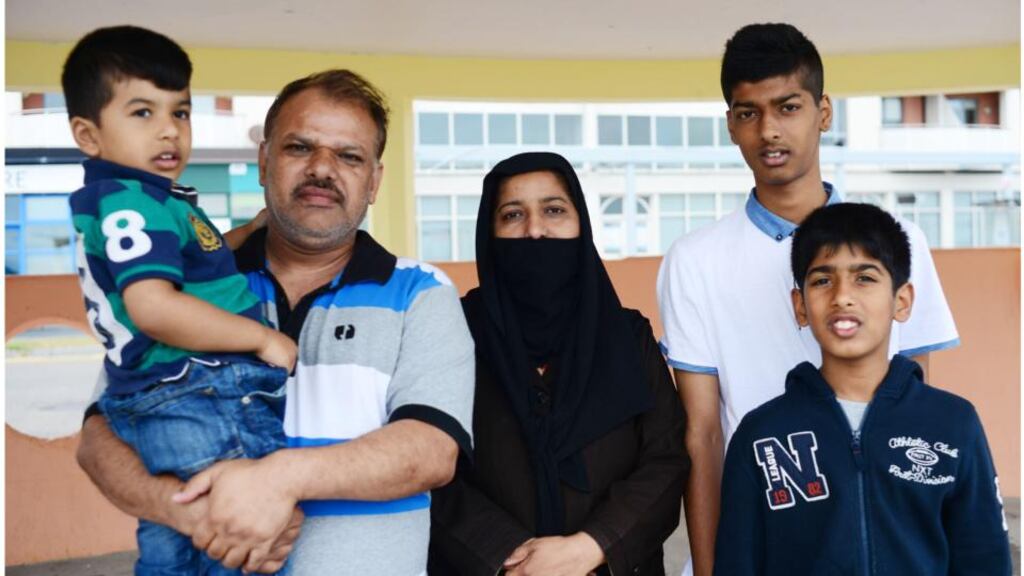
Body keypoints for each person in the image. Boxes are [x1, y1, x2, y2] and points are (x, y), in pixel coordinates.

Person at [76, 69, 475, 575]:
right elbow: (97, 442)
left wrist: (279, 479)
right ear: (264, 161)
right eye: (299, 148)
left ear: (374, 182)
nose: (322, 170)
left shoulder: (423, 292)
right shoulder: (185, 286)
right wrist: (196, 513)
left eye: (349, 156)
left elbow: (430, 451)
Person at [656, 23, 959, 576]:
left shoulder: (901, 241)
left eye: (787, 107)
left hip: (878, 545)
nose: (769, 130)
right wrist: (708, 570)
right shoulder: (693, 259)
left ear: (823, 112)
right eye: (748, 113)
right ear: (730, 124)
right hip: (760, 540)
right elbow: (702, 435)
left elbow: (912, 412)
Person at [64, 25, 295, 575]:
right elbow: (155, 306)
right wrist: (261, 336)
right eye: (142, 113)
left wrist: (249, 231)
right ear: (88, 134)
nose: (168, 131)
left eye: (181, 113)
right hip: (198, 391)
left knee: (173, 544)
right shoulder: (132, 203)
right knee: (243, 537)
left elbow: (199, 258)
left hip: (157, 398)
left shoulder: (144, 199)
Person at [714, 202, 1011, 575]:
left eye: (864, 278)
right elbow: (737, 565)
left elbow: (985, 560)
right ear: (800, 306)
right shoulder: (762, 434)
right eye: (822, 280)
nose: (842, 297)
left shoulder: (952, 423)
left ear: (901, 302)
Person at [429, 152, 687, 575]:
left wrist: (591, 547)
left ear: (581, 223)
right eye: (513, 215)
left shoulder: (627, 336)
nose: (535, 231)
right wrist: (510, 557)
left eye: (553, 211)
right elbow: (429, 464)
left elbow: (666, 458)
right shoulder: (452, 333)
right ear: (488, 232)